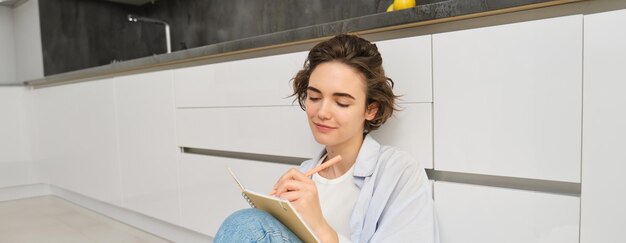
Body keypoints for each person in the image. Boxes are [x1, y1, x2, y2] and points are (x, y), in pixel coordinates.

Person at [215, 34, 438, 243]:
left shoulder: (398, 173)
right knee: (249, 221)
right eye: (314, 97)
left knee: (246, 223)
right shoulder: (303, 175)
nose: (322, 112)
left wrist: (318, 225)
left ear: (371, 109)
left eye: (341, 102)